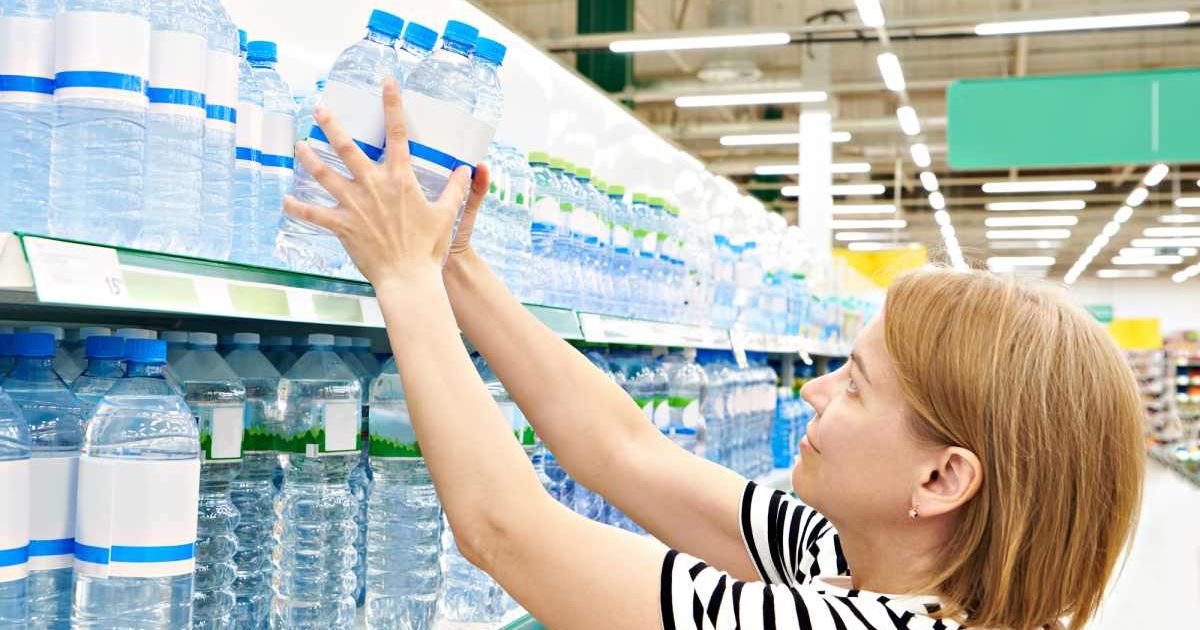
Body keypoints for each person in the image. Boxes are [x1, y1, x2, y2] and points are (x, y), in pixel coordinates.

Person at [283, 78, 1145, 630]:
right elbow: (624, 449)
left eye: (856, 389)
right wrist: (455, 266)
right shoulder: (852, 563)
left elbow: (508, 532)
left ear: (941, 480)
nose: (813, 392)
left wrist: (403, 278)